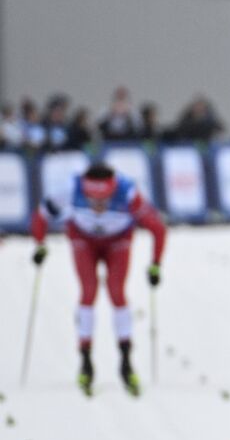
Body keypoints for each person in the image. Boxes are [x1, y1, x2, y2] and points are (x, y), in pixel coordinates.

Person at [31, 163, 167, 395]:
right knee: (88, 291)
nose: (98, 207)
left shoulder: (128, 192)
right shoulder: (70, 187)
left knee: (116, 292)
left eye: (104, 200)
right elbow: (41, 216)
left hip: (118, 240)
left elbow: (158, 229)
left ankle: (125, 361)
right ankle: (85, 361)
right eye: (92, 200)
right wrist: (40, 244)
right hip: (83, 238)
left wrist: (155, 265)